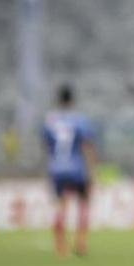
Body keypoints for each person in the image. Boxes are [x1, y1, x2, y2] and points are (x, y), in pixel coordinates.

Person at [42, 85, 97, 257]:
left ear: (58, 100)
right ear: (72, 100)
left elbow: (47, 147)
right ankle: (81, 242)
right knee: (83, 202)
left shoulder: (50, 120)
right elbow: (87, 146)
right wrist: (92, 171)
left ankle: (60, 246)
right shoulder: (80, 120)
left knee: (60, 206)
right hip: (76, 168)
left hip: (56, 168)